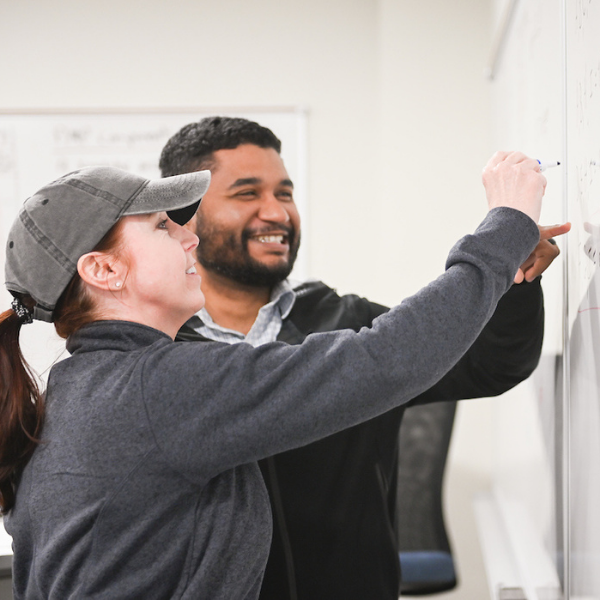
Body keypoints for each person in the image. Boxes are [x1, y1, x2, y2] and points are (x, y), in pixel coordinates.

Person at [0, 155, 544, 599]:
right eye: (163, 227)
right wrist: (506, 225)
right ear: (103, 270)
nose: (189, 238)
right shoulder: (158, 387)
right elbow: (387, 357)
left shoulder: (76, 392)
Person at [158, 117, 570, 600]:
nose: (275, 212)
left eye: (285, 193)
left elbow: (492, 363)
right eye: (247, 194)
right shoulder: (156, 354)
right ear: (183, 216)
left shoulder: (348, 321)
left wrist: (518, 281)